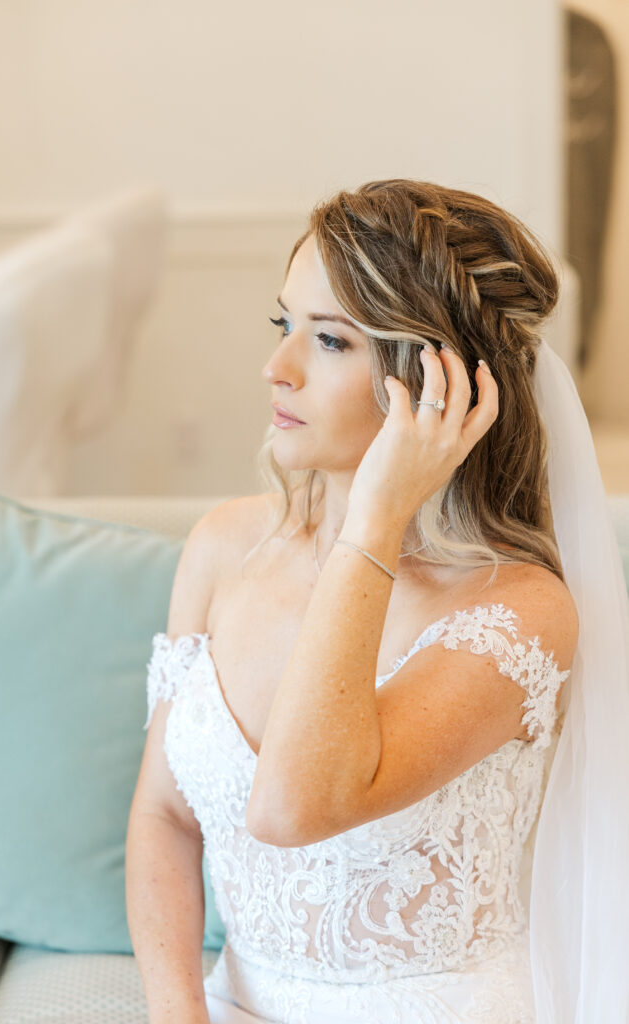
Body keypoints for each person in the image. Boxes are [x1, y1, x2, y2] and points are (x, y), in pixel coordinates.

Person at [125, 179, 629, 1023]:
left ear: (439, 384)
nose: (275, 368)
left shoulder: (519, 613)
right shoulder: (222, 547)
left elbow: (293, 808)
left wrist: (375, 519)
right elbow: (163, 817)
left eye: (328, 341)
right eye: (283, 324)